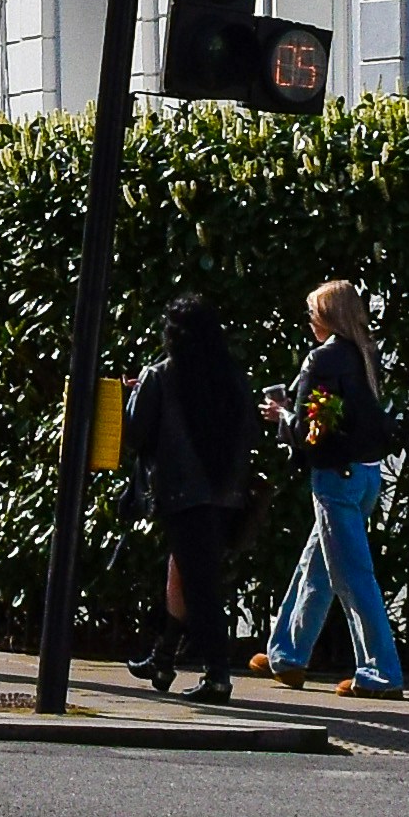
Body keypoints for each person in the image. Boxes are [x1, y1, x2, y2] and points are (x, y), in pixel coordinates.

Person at [269, 278, 405, 695]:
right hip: (366, 473)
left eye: (313, 312)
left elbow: (315, 429)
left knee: (351, 576)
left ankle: (381, 672)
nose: (310, 320)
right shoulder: (366, 354)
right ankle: (288, 653)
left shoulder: (322, 359)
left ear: (326, 316)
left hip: (335, 477)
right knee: (319, 564)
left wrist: (281, 416)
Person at [122, 292, 260, 703]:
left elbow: (134, 434)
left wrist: (135, 395)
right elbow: (249, 430)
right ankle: (163, 658)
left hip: (181, 492)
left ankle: (217, 675)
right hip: (226, 492)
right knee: (183, 573)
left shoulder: (162, 375)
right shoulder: (231, 377)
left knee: (199, 584)